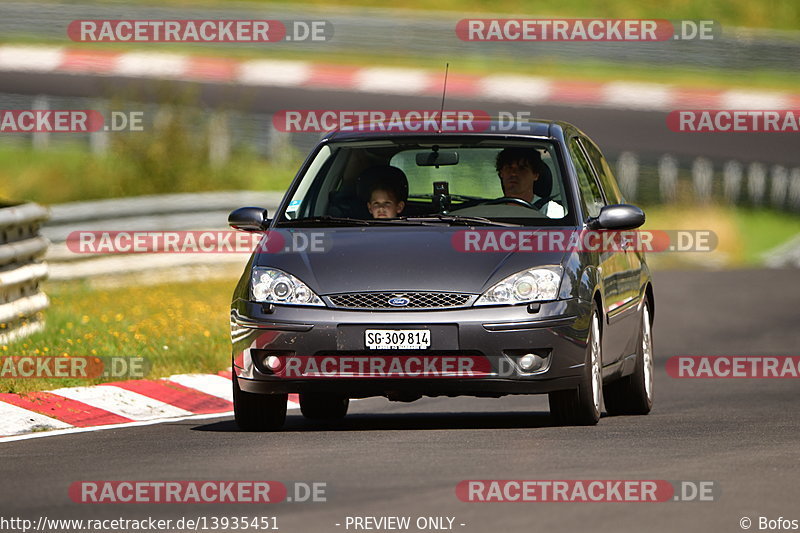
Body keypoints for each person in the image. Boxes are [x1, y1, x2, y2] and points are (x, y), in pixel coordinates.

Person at [495, 147, 565, 218]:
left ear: (535, 175)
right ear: (501, 173)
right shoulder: (489, 211)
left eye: (521, 168)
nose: (513, 173)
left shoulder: (553, 212)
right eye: (509, 168)